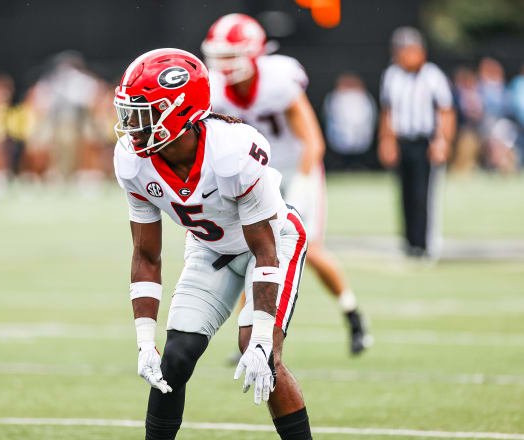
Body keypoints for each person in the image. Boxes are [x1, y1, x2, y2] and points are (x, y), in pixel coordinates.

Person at [113, 48, 313, 440]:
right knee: (174, 360)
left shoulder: (233, 152)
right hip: (210, 247)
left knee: (261, 355)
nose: (132, 125)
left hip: (274, 242)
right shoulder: (134, 162)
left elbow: (265, 251)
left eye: (143, 112)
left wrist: (259, 338)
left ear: (179, 112)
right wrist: (143, 341)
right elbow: (147, 255)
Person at [201, 13, 371, 355]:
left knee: (313, 250)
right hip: (255, 175)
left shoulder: (278, 80)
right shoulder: (215, 89)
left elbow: (313, 142)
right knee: (250, 253)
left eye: (231, 55)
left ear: (254, 53)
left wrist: (300, 188)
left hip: (298, 170)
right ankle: (248, 334)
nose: (224, 64)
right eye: (220, 55)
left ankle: (352, 314)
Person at [378, 27, 456, 260]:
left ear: (419, 51)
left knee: (424, 194)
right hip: (403, 140)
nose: (402, 55)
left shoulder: (433, 75)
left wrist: (443, 141)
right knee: (405, 193)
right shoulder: (391, 75)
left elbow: (445, 111)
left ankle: (426, 244)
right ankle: (410, 242)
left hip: (425, 141)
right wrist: (387, 141)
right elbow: (387, 112)